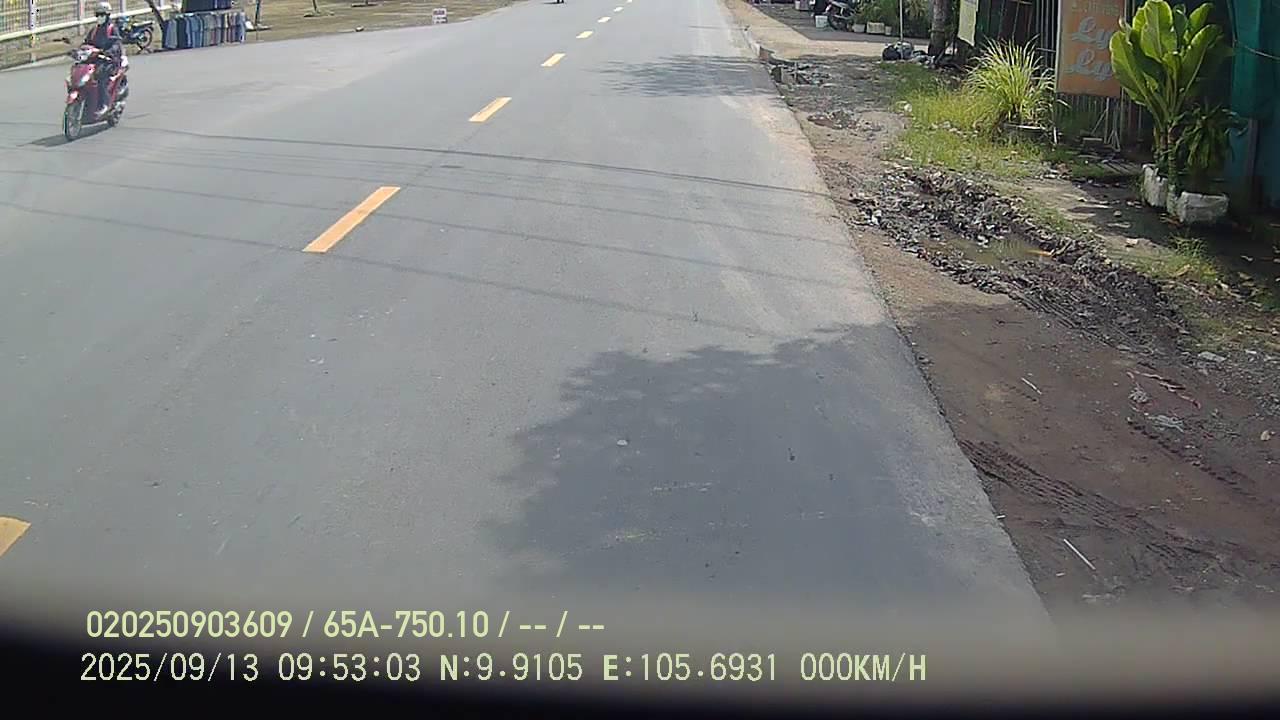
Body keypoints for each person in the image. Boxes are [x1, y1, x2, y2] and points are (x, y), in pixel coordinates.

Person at [82, 2, 123, 117]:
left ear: (108, 15)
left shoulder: (112, 29)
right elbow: (86, 43)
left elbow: (116, 44)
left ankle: (104, 104)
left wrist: (109, 52)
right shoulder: (94, 30)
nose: (99, 17)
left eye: (102, 15)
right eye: (97, 15)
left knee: (101, 76)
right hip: (95, 59)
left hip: (110, 61)